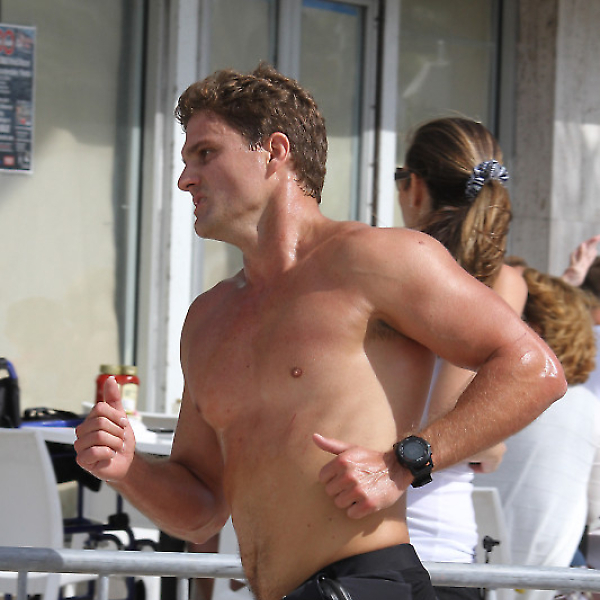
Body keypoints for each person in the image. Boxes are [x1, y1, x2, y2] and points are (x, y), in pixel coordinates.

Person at [74, 64, 566, 600]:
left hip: (368, 582)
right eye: (186, 160)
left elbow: (534, 369)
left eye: (206, 154)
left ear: (275, 151)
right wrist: (127, 470)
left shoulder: (376, 259)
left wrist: (407, 460)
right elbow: (202, 512)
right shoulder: (208, 318)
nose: (184, 179)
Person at [395, 117, 528, 600]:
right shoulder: (501, 282)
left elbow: (441, 421)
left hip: (369, 541)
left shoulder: (386, 266)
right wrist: (488, 443)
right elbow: (458, 426)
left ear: (416, 188)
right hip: (445, 545)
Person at [476, 267, 600, 600]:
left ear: (534, 329)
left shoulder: (476, 392)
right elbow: (596, 511)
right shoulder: (588, 407)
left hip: (465, 570)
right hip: (542, 583)